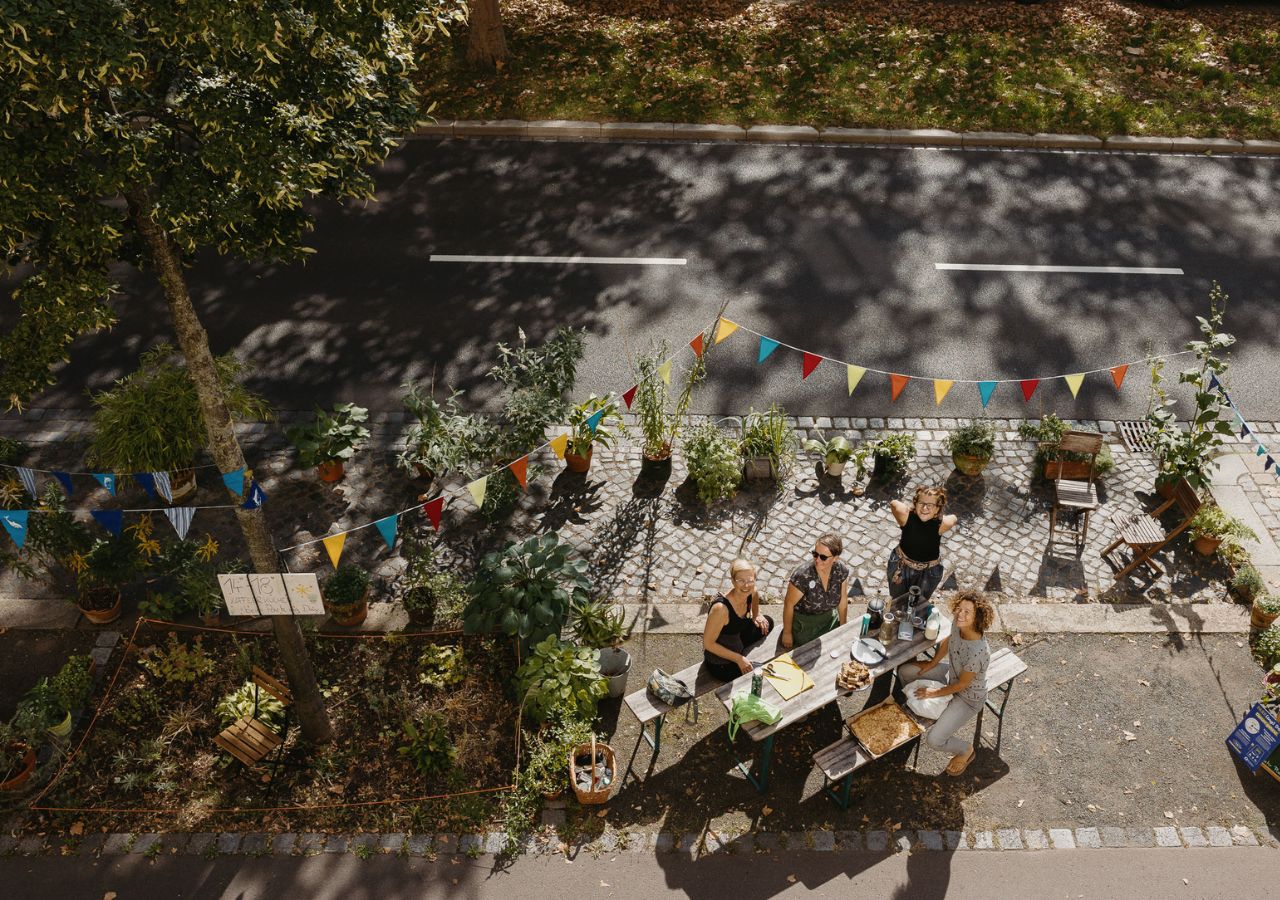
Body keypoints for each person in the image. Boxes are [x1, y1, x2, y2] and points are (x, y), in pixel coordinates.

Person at [896, 590, 994, 776]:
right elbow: (949, 641)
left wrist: (931, 694)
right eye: (959, 609)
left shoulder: (978, 652)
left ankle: (966, 750)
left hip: (967, 698)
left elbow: (961, 686)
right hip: (950, 677)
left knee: (934, 740)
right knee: (905, 671)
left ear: (977, 617)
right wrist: (932, 664)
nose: (960, 614)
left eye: (967, 612)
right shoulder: (958, 625)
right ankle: (919, 709)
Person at [702, 558, 774, 681]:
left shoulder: (752, 592)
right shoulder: (720, 609)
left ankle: (741, 652)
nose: (746, 585)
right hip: (719, 656)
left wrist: (757, 615)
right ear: (733, 581)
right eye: (741, 580)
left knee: (768, 622)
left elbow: (755, 606)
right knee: (754, 675)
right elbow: (708, 644)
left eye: (750, 580)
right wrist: (738, 659)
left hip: (737, 636)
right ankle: (739, 656)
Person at [887, 486, 957, 603]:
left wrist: (938, 516)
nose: (925, 508)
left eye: (931, 505)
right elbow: (894, 503)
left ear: (938, 508)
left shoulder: (941, 524)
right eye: (921, 503)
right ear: (915, 503)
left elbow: (953, 518)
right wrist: (910, 510)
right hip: (901, 566)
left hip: (928, 572)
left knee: (919, 604)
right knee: (897, 602)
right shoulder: (906, 517)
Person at [780, 532, 849, 649]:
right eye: (815, 554)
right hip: (804, 625)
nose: (817, 560)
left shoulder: (840, 571)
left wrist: (843, 626)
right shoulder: (802, 576)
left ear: (835, 558)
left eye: (823, 557)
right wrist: (787, 633)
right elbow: (788, 604)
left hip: (828, 620)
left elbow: (843, 601)